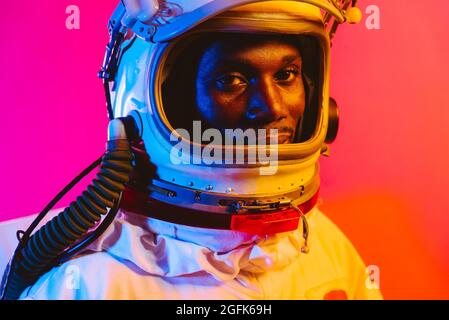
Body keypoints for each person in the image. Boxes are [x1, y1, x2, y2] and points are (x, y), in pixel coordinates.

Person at [0, 0, 382, 300]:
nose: (272, 108)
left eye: (285, 75)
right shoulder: (88, 283)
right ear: (163, 104)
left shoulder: (323, 249)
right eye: (231, 80)